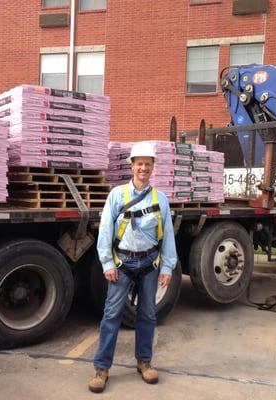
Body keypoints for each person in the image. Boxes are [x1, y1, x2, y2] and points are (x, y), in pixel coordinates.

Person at [88, 141, 177, 393]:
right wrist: (107, 262)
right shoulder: (117, 195)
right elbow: (105, 230)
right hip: (123, 264)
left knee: (147, 315)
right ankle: (102, 368)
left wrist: (168, 268)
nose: (143, 168)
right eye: (139, 163)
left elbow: (168, 235)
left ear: (152, 167)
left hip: (149, 264)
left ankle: (144, 362)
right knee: (111, 315)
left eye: (148, 164)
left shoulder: (161, 199)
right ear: (132, 165)